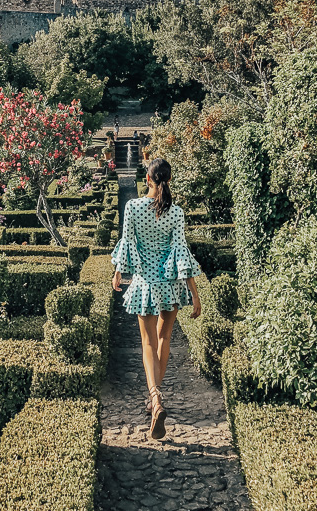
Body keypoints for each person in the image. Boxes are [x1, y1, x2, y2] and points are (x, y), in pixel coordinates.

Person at [111, 158, 202, 440]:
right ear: (168, 180)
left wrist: (118, 272)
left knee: (148, 342)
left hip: (145, 284)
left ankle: (155, 397)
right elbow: (181, 252)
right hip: (171, 285)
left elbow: (127, 242)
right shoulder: (176, 212)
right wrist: (195, 294)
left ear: (147, 179)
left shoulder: (134, 207)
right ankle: (155, 400)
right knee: (165, 339)